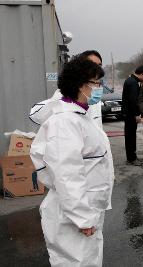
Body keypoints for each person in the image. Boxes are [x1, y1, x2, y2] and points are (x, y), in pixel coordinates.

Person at [29, 57, 115, 266]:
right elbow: (67, 174)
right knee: (77, 261)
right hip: (73, 215)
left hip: (87, 208)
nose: (99, 88)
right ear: (80, 85)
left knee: (89, 259)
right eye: (96, 83)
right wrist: (82, 217)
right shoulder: (65, 123)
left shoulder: (80, 117)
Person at [122, 65, 143, 166]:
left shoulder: (130, 80)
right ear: (142, 74)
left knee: (130, 136)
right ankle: (131, 159)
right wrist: (137, 115)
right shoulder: (133, 83)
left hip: (128, 114)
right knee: (130, 137)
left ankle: (132, 157)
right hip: (130, 115)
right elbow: (133, 101)